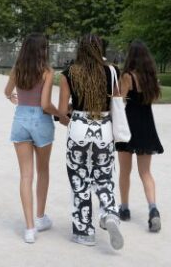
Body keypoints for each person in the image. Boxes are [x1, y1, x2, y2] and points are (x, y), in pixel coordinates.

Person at [57, 34, 123, 250]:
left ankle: (84, 230)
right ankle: (109, 213)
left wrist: (72, 120)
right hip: (103, 128)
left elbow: (60, 111)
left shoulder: (69, 73)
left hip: (78, 127)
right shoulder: (112, 72)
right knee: (104, 176)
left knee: (79, 180)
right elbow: (117, 103)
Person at [4, 33, 65, 244]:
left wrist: (14, 98)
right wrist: (62, 115)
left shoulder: (16, 69)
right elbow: (46, 104)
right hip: (41, 122)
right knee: (43, 170)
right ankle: (40, 217)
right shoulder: (47, 71)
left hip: (20, 119)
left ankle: (29, 228)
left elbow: (6, 92)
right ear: (42, 50)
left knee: (25, 176)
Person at [115, 40, 164, 232]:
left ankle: (124, 208)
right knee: (146, 172)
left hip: (128, 125)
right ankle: (153, 209)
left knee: (124, 171)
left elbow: (118, 100)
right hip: (147, 124)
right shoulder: (150, 78)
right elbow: (152, 99)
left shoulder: (128, 76)